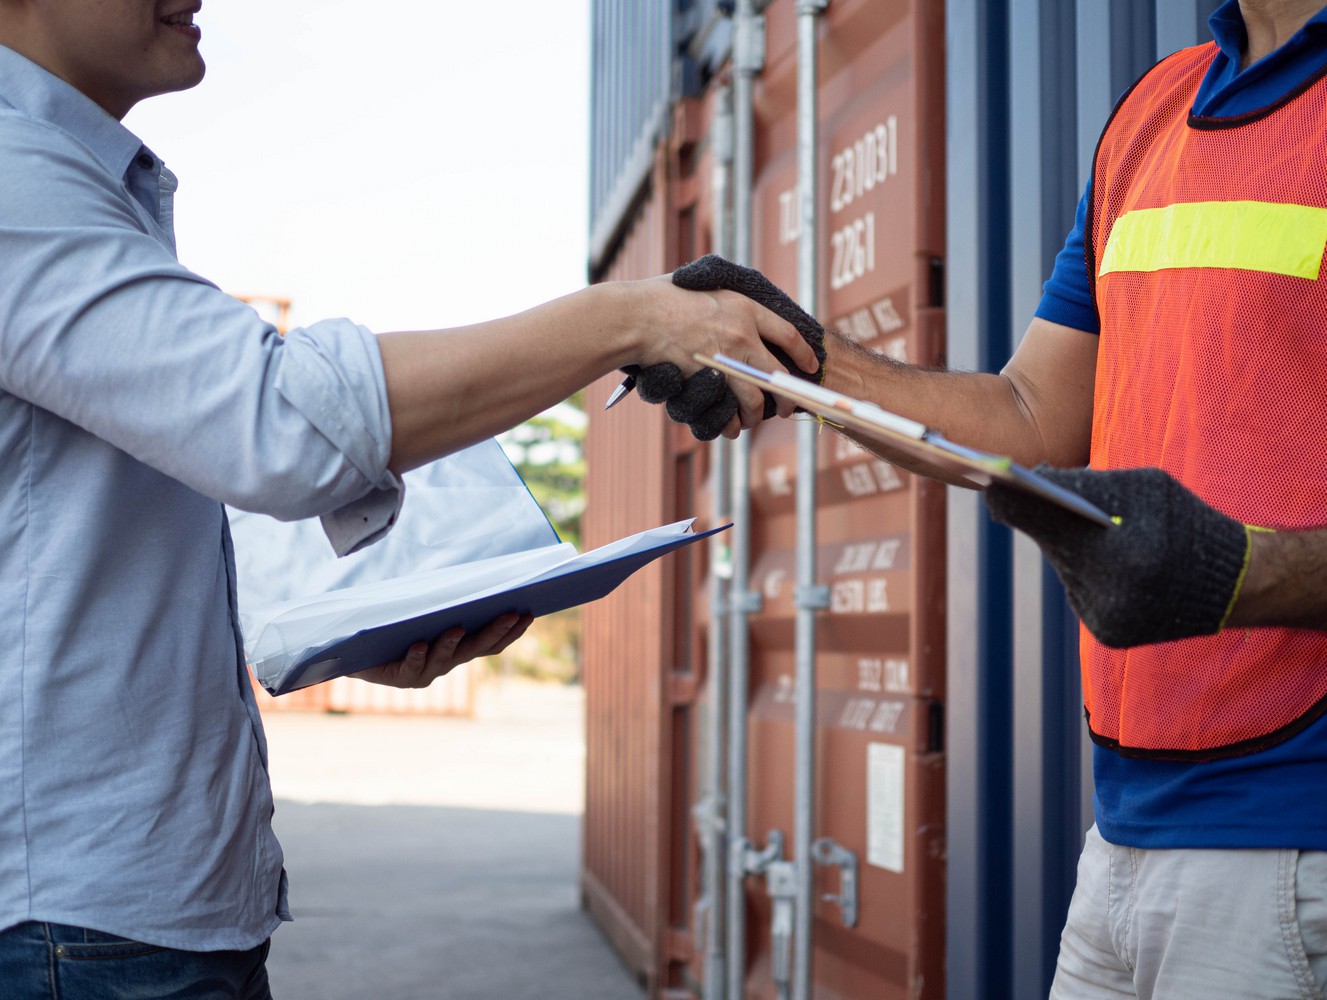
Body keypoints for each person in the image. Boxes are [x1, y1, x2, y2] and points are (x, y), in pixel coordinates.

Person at [0, 2, 820, 997]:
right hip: (67, 926)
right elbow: (276, 423)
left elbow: (70, 557)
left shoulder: (70, 182)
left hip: (115, 912)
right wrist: (630, 317)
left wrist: (335, 637)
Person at [789, 0, 1327, 995]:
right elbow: (1034, 412)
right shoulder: (1151, 114)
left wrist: (1238, 574)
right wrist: (801, 364)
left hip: (1291, 846)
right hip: (1120, 834)